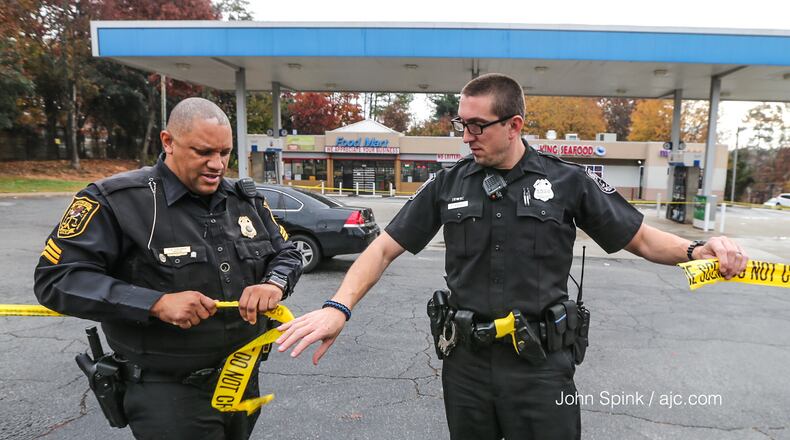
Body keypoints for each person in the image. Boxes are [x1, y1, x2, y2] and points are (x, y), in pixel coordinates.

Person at [274, 73, 748, 440]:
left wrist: (696, 249)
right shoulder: (447, 184)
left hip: (541, 365)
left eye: (477, 125)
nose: (467, 136)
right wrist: (339, 306)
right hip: (467, 364)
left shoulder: (567, 182)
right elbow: (383, 248)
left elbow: (640, 238)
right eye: (462, 124)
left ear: (514, 125)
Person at [34, 97, 302, 439]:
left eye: (224, 152)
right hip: (167, 393)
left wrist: (273, 283)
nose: (217, 164)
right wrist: (154, 303)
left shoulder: (244, 200)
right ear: (168, 142)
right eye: (203, 152)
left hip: (240, 380)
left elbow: (288, 253)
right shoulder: (116, 200)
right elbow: (56, 280)